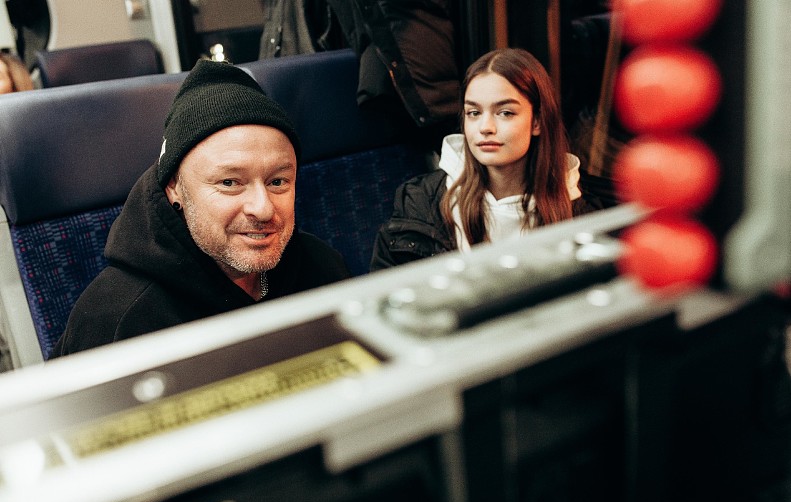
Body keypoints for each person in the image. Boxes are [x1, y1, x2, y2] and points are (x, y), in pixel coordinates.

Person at [52, 59, 350, 357]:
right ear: (174, 188)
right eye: (230, 182)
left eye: (278, 182)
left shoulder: (321, 268)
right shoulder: (119, 321)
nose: (263, 209)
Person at [370, 48, 601, 271]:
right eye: (474, 113)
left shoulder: (581, 213)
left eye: (505, 113)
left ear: (537, 122)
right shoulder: (420, 202)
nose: (485, 127)